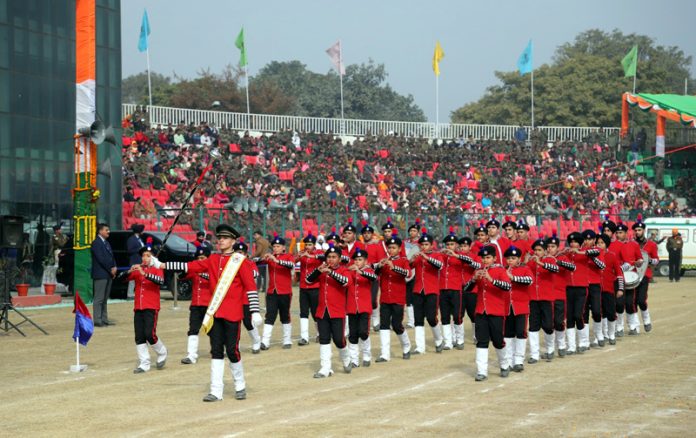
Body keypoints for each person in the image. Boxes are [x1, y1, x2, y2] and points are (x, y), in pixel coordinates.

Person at [155, 224, 262, 401]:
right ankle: (216, 390)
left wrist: (255, 310)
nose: (221, 240)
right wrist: (161, 264)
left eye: (225, 238)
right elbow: (190, 267)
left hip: (233, 313)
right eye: (219, 238)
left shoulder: (240, 261)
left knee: (233, 350)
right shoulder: (213, 259)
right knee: (216, 350)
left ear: (233, 241)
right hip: (215, 313)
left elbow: (251, 287)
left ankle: (239, 384)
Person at [306, 244, 352, 377]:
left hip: (337, 311)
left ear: (339, 259)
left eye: (334, 257)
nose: (331, 259)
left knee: (339, 339)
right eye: (329, 257)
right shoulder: (321, 270)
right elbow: (307, 280)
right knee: (324, 339)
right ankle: (325, 368)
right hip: (322, 310)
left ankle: (346, 359)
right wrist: (318, 271)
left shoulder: (344, 270)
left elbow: (346, 282)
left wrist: (330, 272)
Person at [472, 246, 512, 381]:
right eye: (483, 258)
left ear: (494, 258)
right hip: (481, 310)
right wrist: (473, 279)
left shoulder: (500, 270)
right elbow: (466, 289)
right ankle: (482, 371)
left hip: (496, 311)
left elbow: (507, 286)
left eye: (488, 257)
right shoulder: (479, 270)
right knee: (481, 341)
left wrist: (491, 279)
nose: (485, 260)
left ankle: (504, 365)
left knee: (498, 340)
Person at [127, 241, 167, 373]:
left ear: (153, 258)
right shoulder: (138, 269)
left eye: (148, 255)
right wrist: (129, 270)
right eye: (143, 255)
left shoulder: (157, 269)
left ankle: (162, 352)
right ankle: (144, 363)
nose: (145, 258)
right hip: (138, 306)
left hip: (151, 306)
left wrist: (145, 274)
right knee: (139, 336)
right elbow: (123, 279)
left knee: (149, 334)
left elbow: (160, 281)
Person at [374, 236, 412, 362]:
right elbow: (374, 273)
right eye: (389, 247)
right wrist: (379, 265)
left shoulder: (403, 260)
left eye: (394, 248)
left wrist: (393, 266)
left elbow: (408, 274)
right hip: (385, 298)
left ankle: (406, 346)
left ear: (399, 249)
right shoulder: (384, 261)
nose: (391, 250)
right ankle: (385, 354)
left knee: (396, 325)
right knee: (384, 325)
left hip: (398, 298)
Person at [410, 228, 444, 354]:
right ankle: (420, 347)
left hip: (432, 290)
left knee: (431, 317)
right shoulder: (418, 257)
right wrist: (411, 259)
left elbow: (440, 266)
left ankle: (439, 340)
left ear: (431, 245)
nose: (423, 247)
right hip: (418, 290)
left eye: (426, 244)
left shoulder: (436, 255)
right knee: (418, 319)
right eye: (422, 245)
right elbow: (408, 266)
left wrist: (426, 257)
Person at [526, 237, 558, 363]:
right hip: (533, 298)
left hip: (546, 298)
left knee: (548, 325)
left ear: (545, 251)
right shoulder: (530, 263)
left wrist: (540, 263)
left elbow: (555, 269)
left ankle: (550, 349)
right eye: (535, 250)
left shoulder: (550, 260)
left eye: (539, 250)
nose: (537, 252)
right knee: (533, 326)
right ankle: (534, 354)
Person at [260, 234, 294, 350]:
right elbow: (257, 263)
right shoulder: (270, 257)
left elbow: (291, 265)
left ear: (283, 247)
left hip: (285, 291)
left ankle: (287, 340)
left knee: (285, 315)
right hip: (271, 291)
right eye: (274, 246)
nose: (275, 248)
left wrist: (276, 260)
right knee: (270, 315)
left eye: (278, 246)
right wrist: (262, 258)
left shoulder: (288, 256)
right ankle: (265, 341)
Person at [502, 246, 533, 373]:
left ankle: (519, 360)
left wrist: (513, 278)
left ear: (519, 259)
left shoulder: (525, 269)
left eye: (513, 258)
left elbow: (529, 280)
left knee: (521, 332)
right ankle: (508, 360)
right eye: (508, 258)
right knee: (508, 333)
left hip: (521, 306)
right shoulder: (502, 270)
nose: (510, 261)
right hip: (506, 307)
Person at [180, 246, 212, 364]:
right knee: (193, 329)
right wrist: (186, 267)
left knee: (212, 330)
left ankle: (218, 349)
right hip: (195, 304)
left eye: (203, 258)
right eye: (198, 258)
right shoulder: (194, 270)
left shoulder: (211, 270)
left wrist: (198, 270)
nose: (200, 260)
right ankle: (191, 355)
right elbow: (181, 276)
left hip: (208, 305)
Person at [346, 248, 377, 367]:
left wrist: (361, 271)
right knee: (353, 334)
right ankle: (354, 359)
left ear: (365, 261)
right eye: (356, 260)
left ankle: (366, 355)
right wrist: (349, 270)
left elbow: (374, 278)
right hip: (352, 307)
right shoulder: (350, 271)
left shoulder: (369, 271)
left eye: (360, 260)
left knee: (363, 332)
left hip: (364, 307)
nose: (357, 262)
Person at [632, 216, 659, 333]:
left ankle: (646, 320)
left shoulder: (652, 245)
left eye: (639, 230)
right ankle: (635, 325)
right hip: (633, 275)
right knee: (632, 301)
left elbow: (656, 259)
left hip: (645, 275)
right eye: (636, 230)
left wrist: (651, 261)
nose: (637, 232)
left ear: (644, 230)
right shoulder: (631, 244)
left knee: (641, 300)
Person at [296, 232, 323, 346]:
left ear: (314, 245)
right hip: (303, 287)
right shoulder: (302, 253)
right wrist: (298, 256)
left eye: (310, 244)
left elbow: (325, 257)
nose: (308, 246)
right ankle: (304, 337)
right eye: (306, 244)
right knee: (303, 312)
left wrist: (312, 256)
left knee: (315, 312)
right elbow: (292, 261)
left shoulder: (319, 253)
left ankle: (320, 334)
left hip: (315, 287)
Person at [597, 233, 624, 345]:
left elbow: (619, 273)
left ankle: (612, 333)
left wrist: (620, 289)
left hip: (609, 289)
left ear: (606, 244)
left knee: (611, 312)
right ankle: (604, 334)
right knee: (600, 312)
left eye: (602, 243)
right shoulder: (593, 256)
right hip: (597, 289)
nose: (599, 245)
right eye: (597, 243)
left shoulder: (612, 256)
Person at [90, 223, 117, 327]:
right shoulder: (96, 243)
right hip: (101, 274)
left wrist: (114, 267)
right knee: (99, 298)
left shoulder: (106, 243)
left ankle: (104, 319)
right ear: (100, 231)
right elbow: (101, 259)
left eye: (108, 230)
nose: (108, 232)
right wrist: (110, 269)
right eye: (106, 230)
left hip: (108, 274)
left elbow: (111, 257)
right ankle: (97, 320)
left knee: (105, 298)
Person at [126, 224, 146, 299]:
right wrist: (140, 249)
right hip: (134, 260)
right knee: (132, 278)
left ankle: (137, 292)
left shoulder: (139, 239)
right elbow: (130, 250)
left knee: (139, 277)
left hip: (140, 260)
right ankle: (130, 294)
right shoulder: (131, 239)